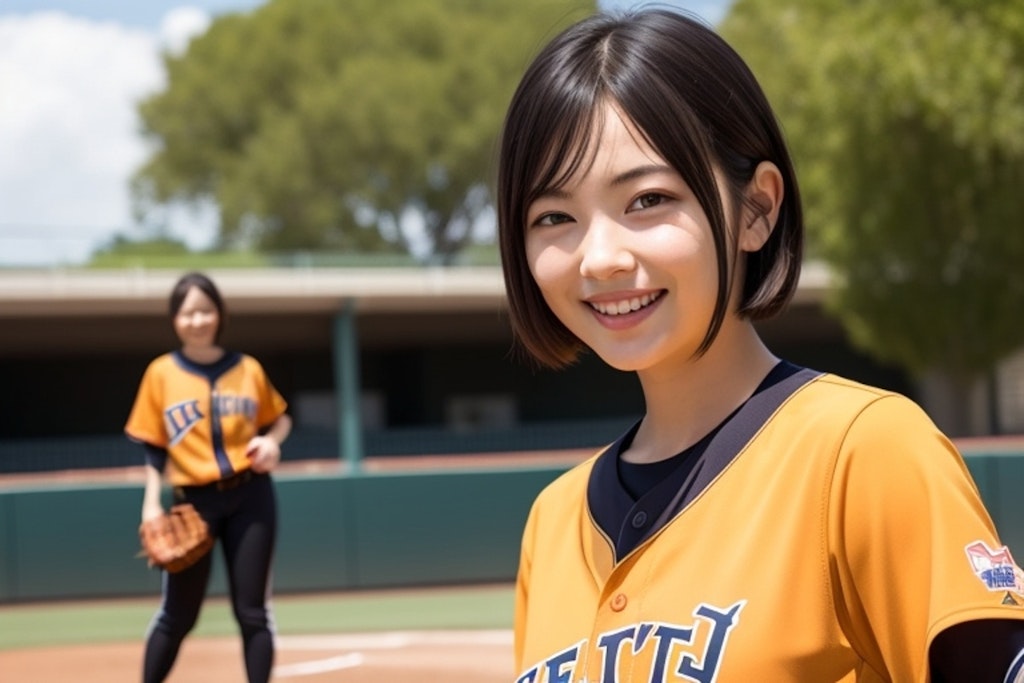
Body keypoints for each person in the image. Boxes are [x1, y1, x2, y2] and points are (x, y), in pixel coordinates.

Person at [497, 8, 1024, 683]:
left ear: (757, 209)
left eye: (648, 199)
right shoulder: (553, 520)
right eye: (554, 217)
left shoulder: (862, 451)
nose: (598, 257)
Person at [125, 271, 292, 683]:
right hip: (192, 502)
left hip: (250, 495)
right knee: (178, 614)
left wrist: (272, 443)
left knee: (253, 612)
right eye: (187, 313)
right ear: (174, 319)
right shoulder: (161, 373)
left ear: (220, 314)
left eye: (205, 311)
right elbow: (154, 446)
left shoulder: (247, 369)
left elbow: (280, 420)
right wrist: (150, 504)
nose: (197, 320)